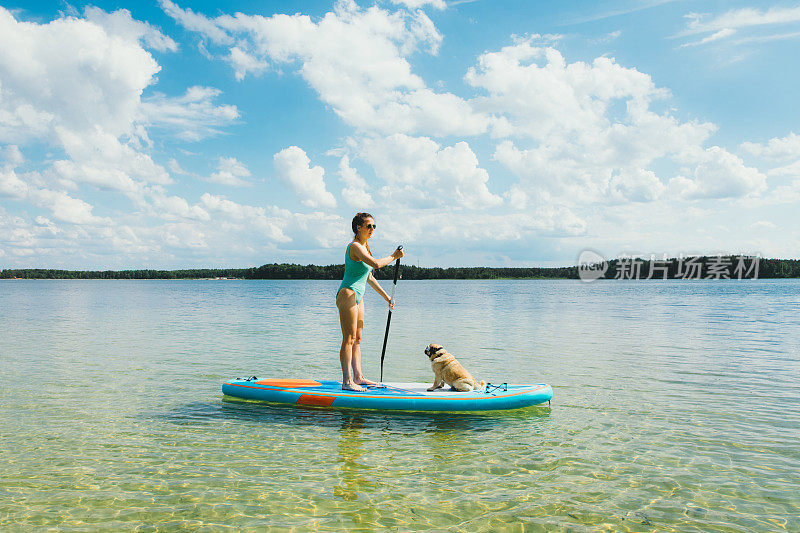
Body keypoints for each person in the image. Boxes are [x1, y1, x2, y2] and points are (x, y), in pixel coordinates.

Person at [336, 212, 403, 391]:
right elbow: (376, 264)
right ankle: (347, 381)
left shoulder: (365, 247)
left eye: (374, 226)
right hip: (347, 293)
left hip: (359, 296)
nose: (372, 229)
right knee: (348, 339)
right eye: (369, 226)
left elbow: (369, 277)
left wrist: (387, 297)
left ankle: (358, 377)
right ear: (358, 228)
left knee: (357, 339)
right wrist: (394, 256)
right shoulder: (355, 246)